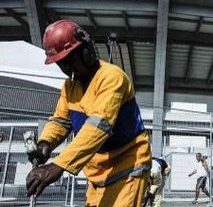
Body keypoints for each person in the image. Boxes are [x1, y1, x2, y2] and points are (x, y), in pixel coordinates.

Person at [25, 20, 152, 207]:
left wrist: (59, 165)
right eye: (62, 64)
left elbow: (98, 126)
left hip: (127, 168)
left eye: (70, 60)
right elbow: (61, 121)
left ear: (87, 50)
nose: (68, 69)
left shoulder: (111, 77)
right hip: (97, 174)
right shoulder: (69, 87)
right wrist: (46, 142)